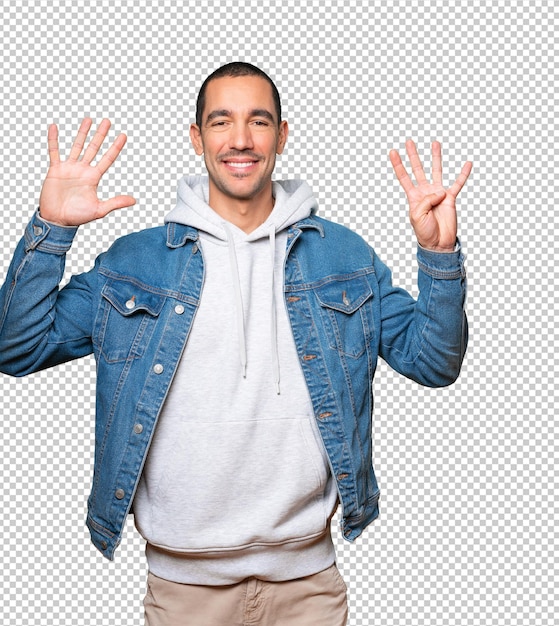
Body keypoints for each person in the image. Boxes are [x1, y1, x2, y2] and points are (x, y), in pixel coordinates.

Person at [0, 62, 472, 625]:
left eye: (259, 121)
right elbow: (16, 348)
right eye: (221, 122)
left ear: (282, 135)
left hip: (309, 590)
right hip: (184, 591)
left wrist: (439, 258)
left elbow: (434, 363)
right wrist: (52, 229)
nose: (241, 140)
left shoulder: (343, 258)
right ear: (197, 138)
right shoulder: (135, 264)